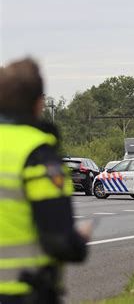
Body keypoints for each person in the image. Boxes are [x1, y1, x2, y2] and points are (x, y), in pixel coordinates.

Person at [0, 58, 91, 304]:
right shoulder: (37, 155)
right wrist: (80, 241)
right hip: (22, 293)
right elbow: (60, 242)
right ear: (39, 103)